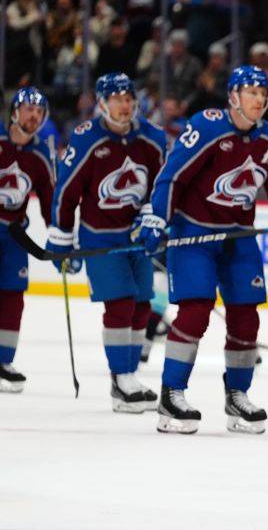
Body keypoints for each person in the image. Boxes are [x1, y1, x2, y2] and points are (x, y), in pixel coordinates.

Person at [138, 65, 268, 435]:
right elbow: (174, 175)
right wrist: (156, 219)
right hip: (193, 234)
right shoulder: (208, 126)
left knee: (247, 316)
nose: (259, 99)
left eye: (263, 93)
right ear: (233, 96)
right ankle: (172, 394)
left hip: (238, 236)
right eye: (251, 92)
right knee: (195, 312)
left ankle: (237, 396)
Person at [46, 73, 166, 412]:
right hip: (100, 237)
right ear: (102, 103)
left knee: (143, 303)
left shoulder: (152, 137)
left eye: (129, 99)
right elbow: (66, 192)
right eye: (117, 99)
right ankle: (121, 377)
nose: (125, 106)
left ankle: (126, 379)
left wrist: (151, 217)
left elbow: (161, 185)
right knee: (121, 304)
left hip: (136, 237)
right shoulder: (88, 139)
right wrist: (62, 239)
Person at [0, 88, 55, 392]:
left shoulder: (40, 154)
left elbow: (49, 202)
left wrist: (60, 237)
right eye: (28, 109)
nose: (34, 116)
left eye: (39, 111)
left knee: (12, 297)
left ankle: (3, 361)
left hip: (14, 235)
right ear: (14, 112)